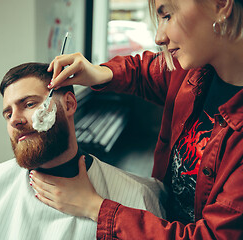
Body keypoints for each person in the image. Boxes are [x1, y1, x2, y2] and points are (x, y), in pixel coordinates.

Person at [30, 0, 243, 239]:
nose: (158, 37)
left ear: (221, 4)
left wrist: (94, 207)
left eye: (168, 16)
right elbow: (145, 70)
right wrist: (97, 73)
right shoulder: (195, 71)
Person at [0, 63, 167, 240]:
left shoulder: (138, 197)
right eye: (8, 114)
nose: (15, 120)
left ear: (68, 104)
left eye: (29, 104)